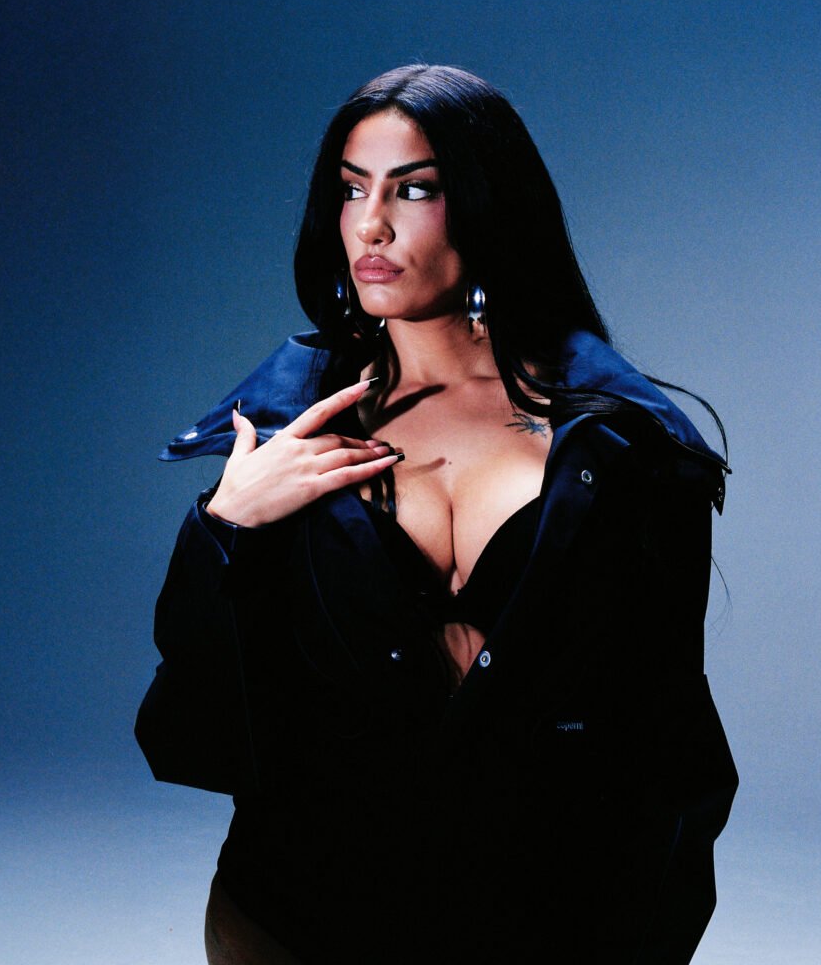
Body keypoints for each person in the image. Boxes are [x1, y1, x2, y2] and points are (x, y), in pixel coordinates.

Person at [136, 64, 738, 965]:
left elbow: (670, 747)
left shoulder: (622, 449)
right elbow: (191, 729)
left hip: (545, 927)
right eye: (352, 189)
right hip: (296, 919)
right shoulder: (282, 435)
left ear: (490, 206)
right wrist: (224, 526)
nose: (371, 224)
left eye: (414, 189)